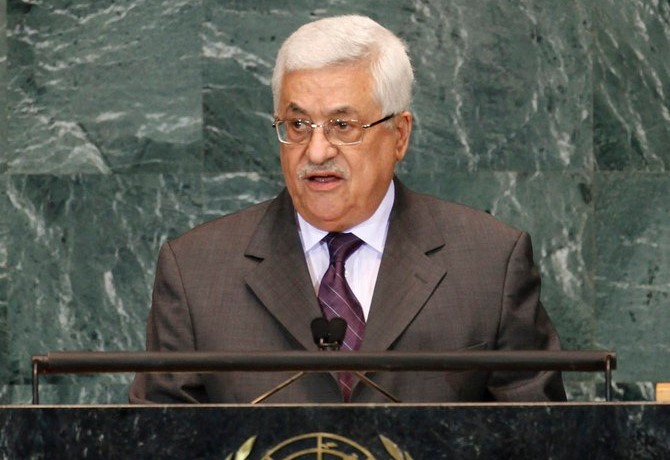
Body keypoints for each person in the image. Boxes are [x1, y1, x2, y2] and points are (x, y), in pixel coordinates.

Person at [129, 15, 566, 404]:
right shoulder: (197, 272)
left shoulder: (490, 264)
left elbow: (540, 453)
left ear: (399, 135)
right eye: (298, 125)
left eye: (343, 125)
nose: (316, 151)